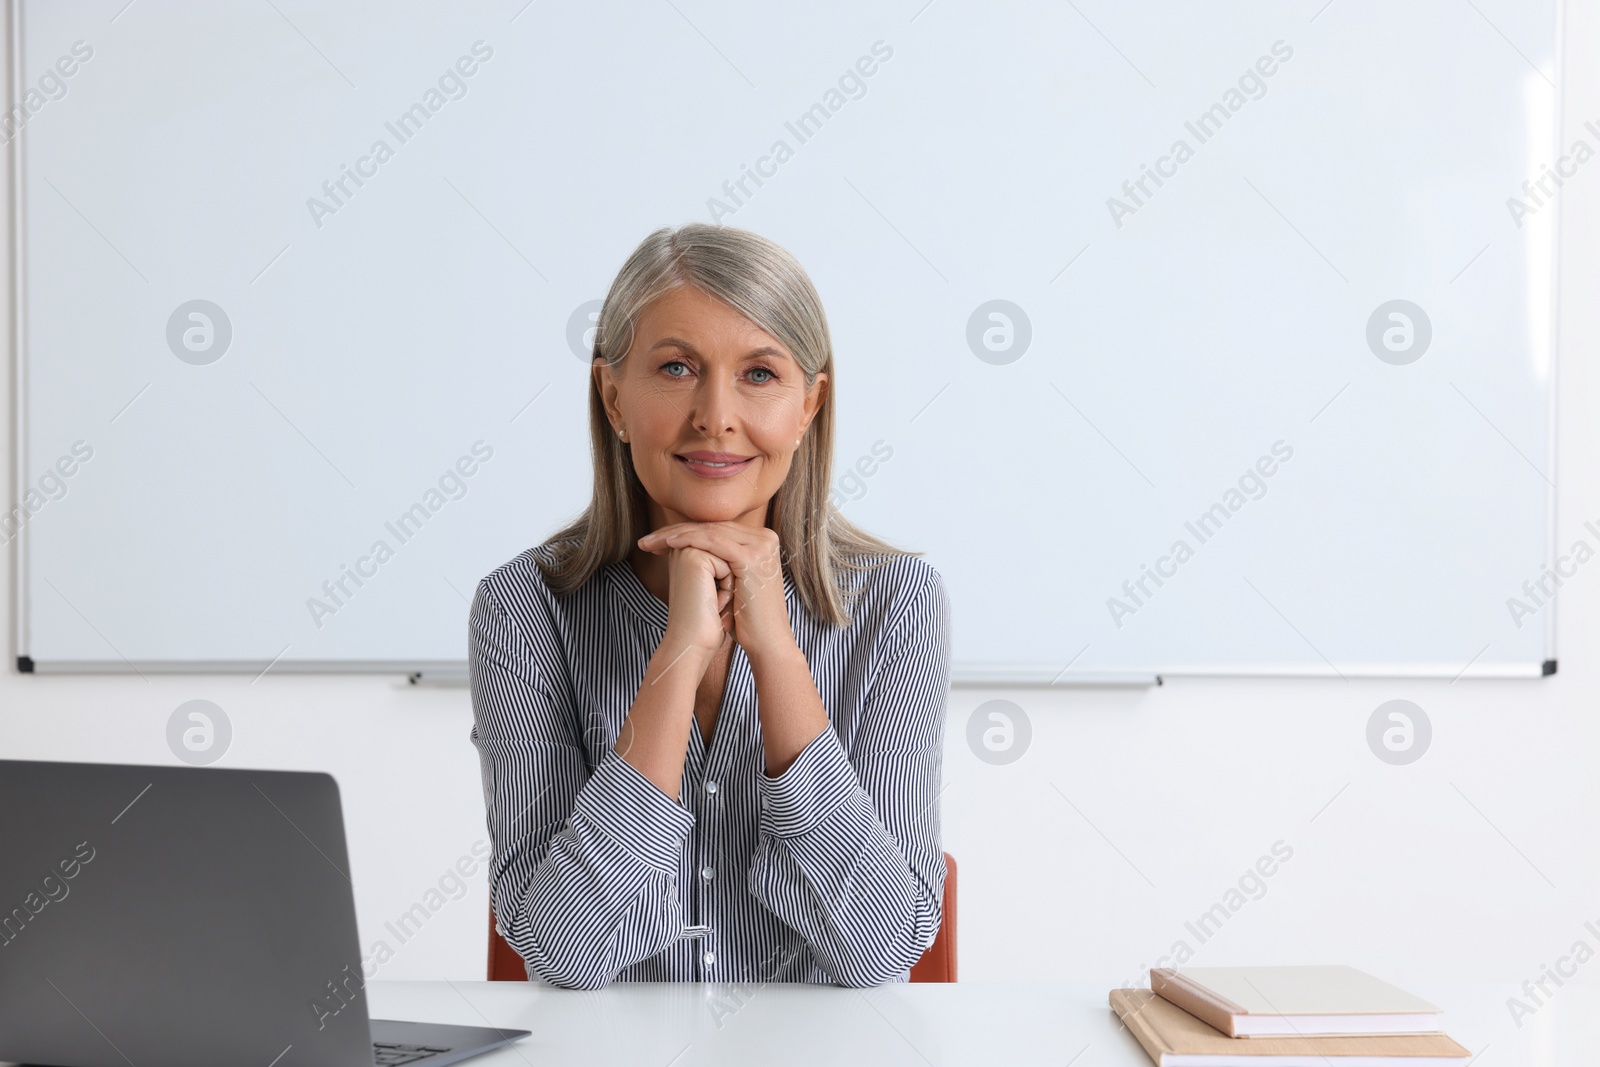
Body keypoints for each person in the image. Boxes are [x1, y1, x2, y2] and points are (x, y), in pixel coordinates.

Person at [469, 222, 951, 990]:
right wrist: (678, 655)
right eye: (676, 367)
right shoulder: (524, 608)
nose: (716, 415)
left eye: (760, 374)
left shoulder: (895, 604)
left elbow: (883, 946)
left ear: (808, 406)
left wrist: (779, 658)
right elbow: (561, 950)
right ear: (613, 396)